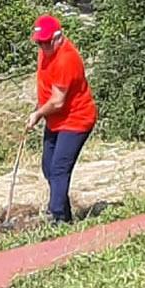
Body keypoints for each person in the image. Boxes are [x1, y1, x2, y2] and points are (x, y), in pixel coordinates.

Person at [27, 14, 97, 223]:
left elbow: (57, 101)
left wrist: (38, 114)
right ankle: (65, 216)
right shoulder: (45, 52)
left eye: (47, 42)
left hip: (76, 120)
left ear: (58, 37)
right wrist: (38, 108)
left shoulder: (67, 58)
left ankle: (57, 217)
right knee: (49, 167)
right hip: (56, 120)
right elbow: (47, 89)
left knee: (59, 169)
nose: (43, 47)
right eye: (39, 42)